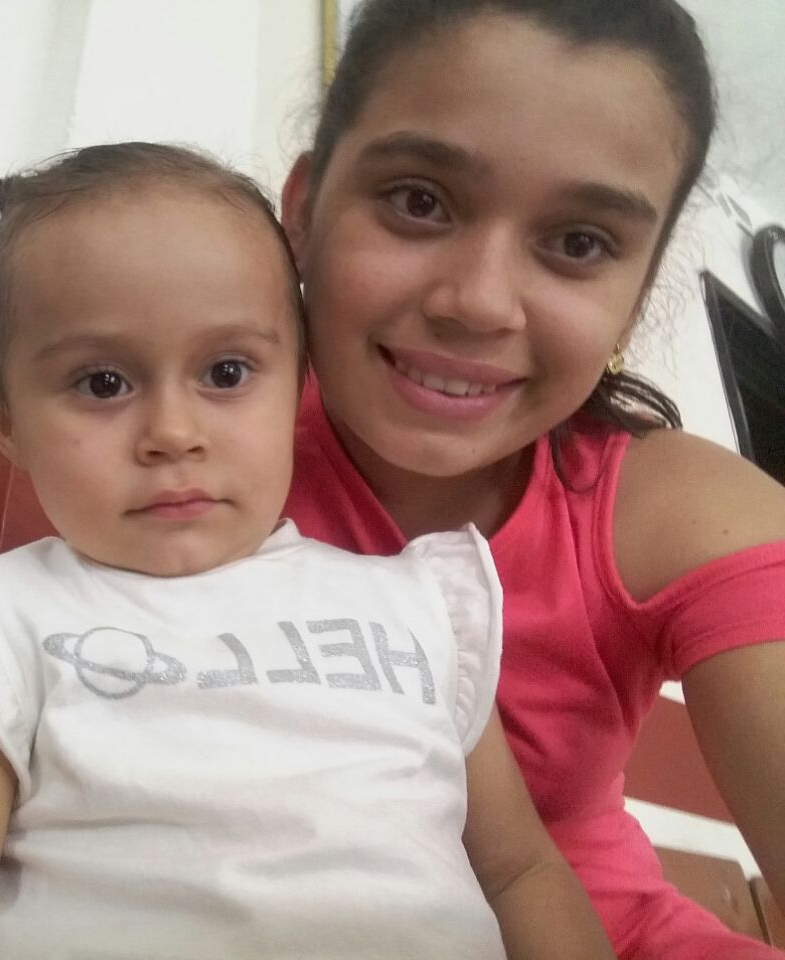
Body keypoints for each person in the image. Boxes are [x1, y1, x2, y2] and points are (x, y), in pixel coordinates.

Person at [0, 143, 615, 959]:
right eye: (102, 383)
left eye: (227, 372)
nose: (173, 433)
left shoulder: (420, 607)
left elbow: (520, 872)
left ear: (297, 384)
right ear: (8, 420)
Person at [277, 1, 785, 957]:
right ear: (303, 209)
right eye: (419, 199)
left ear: (636, 293)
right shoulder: (163, 445)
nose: (477, 302)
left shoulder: (674, 514)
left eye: (580, 243)